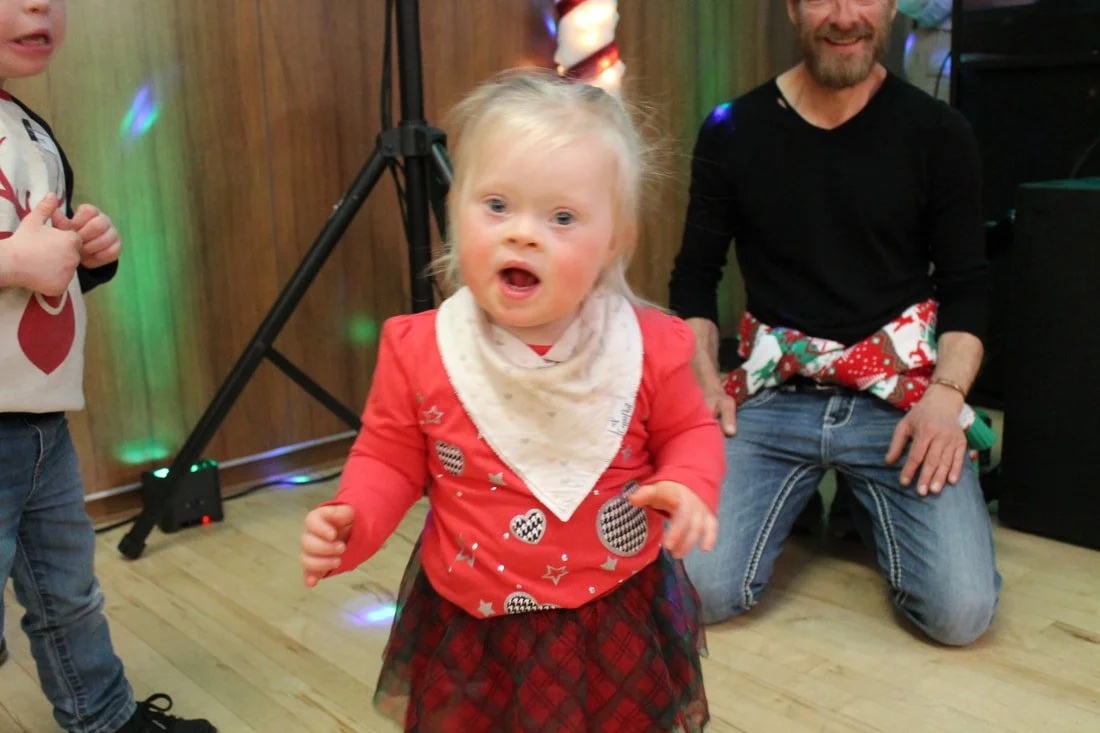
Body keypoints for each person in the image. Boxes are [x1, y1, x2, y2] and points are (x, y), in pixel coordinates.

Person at [300, 68, 724, 732]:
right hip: (473, 620)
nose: (523, 234)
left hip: (614, 611)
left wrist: (688, 482)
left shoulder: (649, 345)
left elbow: (690, 431)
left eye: (562, 217)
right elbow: (388, 456)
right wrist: (356, 518)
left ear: (616, 240)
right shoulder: (420, 348)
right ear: (454, 210)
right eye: (496, 205)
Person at [668, 0, 1001, 647]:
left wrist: (947, 396)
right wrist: (702, 377)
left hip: (898, 401)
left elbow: (968, 289)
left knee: (960, 615)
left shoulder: (941, 132)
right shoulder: (730, 129)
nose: (845, 15)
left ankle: (859, 502)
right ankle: (820, 496)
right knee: (696, 586)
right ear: (791, 8)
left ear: (894, 5)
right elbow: (693, 277)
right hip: (771, 397)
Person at [0, 1, 216, 731]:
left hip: (39, 425)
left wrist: (88, 254)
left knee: (68, 591)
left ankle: (104, 716)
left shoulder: (28, 130)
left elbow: (48, 273)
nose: (42, 6)